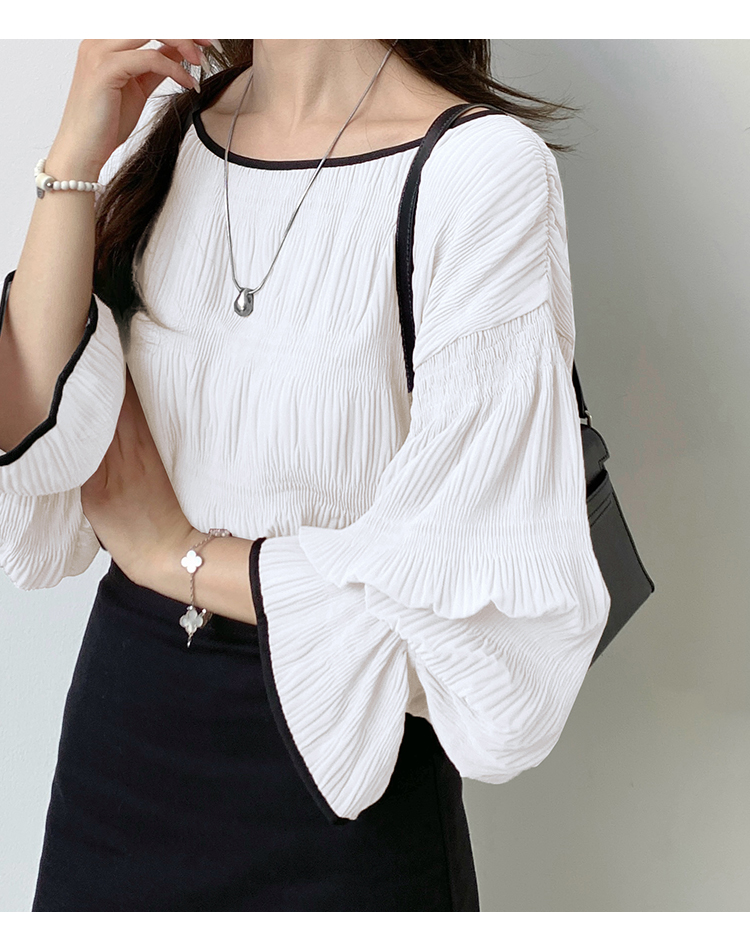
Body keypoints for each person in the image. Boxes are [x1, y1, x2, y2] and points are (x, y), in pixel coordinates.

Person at [0, 39, 611, 912]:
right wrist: (75, 153)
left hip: (341, 769)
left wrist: (176, 552)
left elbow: (467, 597)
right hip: (122, 741)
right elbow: (34, 441)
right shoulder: (176, 134)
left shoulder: (478, 170)